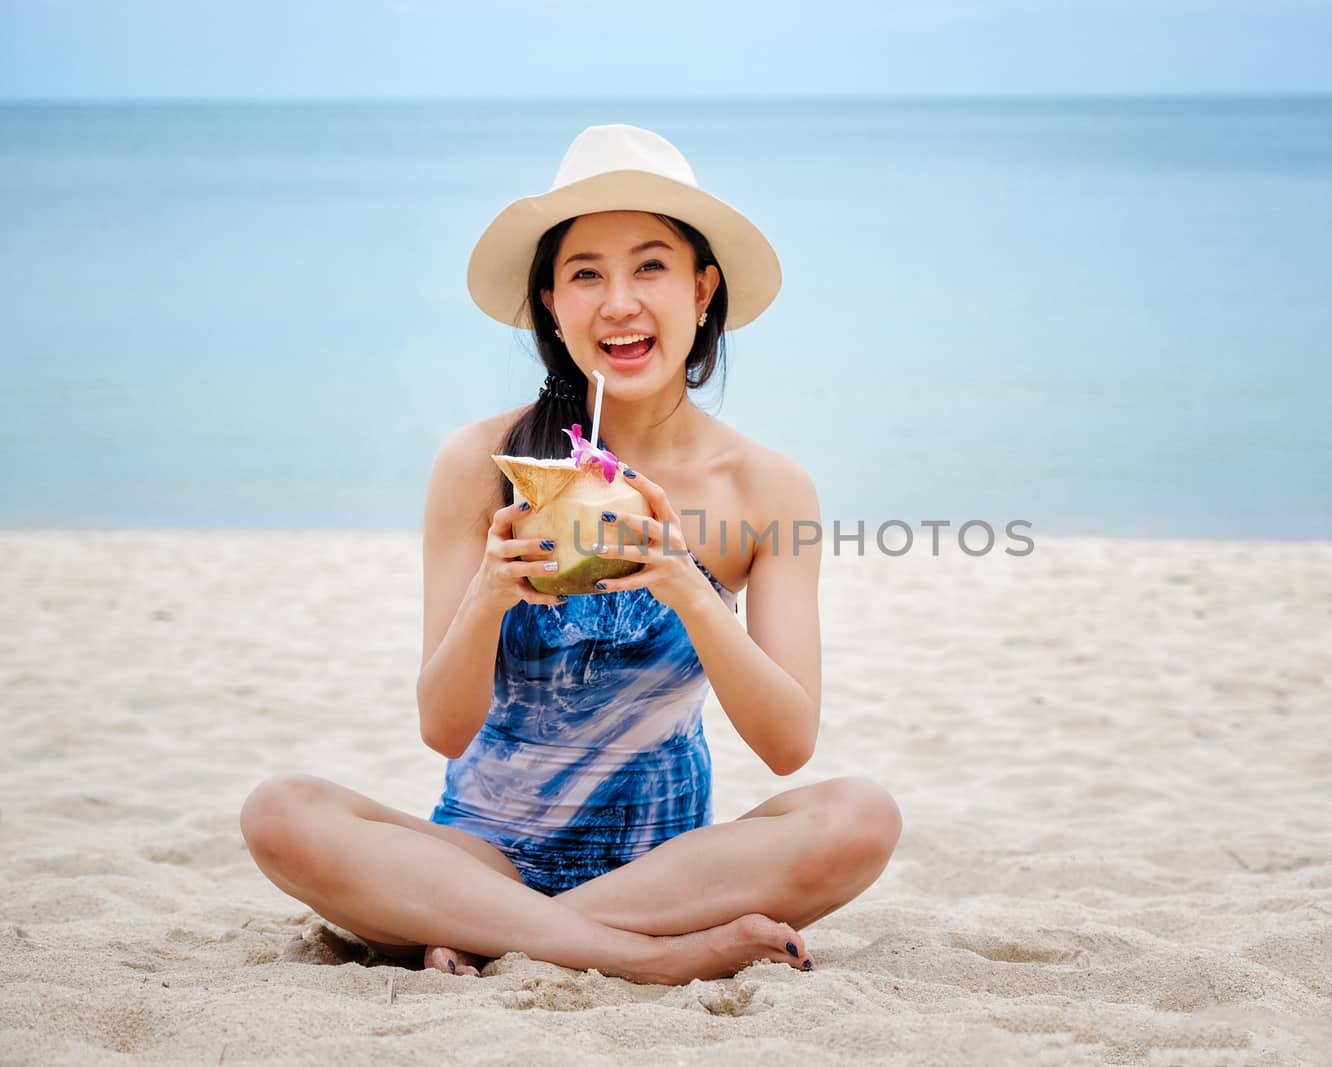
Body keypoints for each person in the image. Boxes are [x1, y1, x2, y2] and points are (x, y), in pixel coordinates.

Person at [239, 124, 902, 986]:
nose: (618, 301)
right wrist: (488, 593)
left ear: (704, 290)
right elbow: (443, 725)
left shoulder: (765, 488)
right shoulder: (486, 464)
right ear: (551, 302)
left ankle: (503, 935)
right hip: (479, 858)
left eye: (651, 266)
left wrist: (690, 589)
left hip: (665, 873)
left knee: (862, 816)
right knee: (280, 810)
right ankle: (646, 959)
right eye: (585, 273)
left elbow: (788, 742)